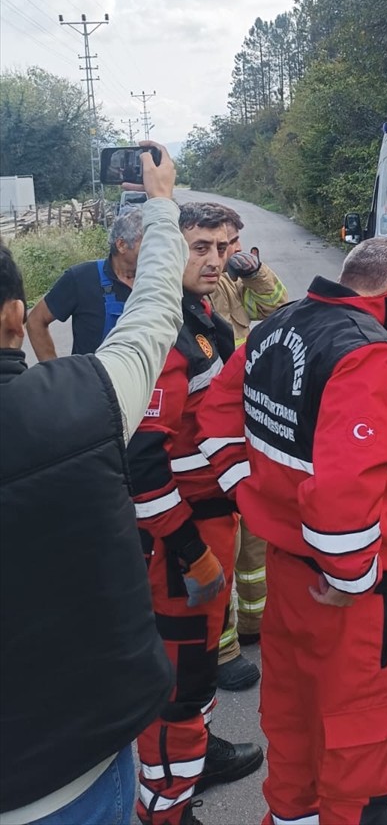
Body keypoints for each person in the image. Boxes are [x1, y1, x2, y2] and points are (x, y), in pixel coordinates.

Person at [196, 237, 387, 825]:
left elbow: (216, 413)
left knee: (293, 718)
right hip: (343, 592)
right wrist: (349, 574)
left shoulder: (276, 327)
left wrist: (252, 490)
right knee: (357, 732)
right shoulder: (368, 353)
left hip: (287, 571)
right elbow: (347, 486)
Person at [1, 145, 185, 825]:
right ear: (14, 318)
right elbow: (155, 312)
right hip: (72, 778)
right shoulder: (87, 400)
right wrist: (161, 202)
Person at [127, 202, 262, 825]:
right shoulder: (163, 339)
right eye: (201, 246)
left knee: (201, 666)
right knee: (176, 689)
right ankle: (164, 813)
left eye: (225, 246)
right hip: (179, 536)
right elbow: (143, 470)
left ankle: (198, 760)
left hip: (212, 521)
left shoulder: (203, 318)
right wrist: (191, 553)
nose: (216, 259)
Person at [208, 205, 288, 692]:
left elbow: (279, 307)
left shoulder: (237, 281)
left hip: (246, 422)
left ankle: (256, 625)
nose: (224, 255)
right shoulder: (181, 292)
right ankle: (222, 648)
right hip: (205, 432)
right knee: (218, 544)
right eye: (213, 246)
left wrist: (256, 270)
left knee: (255, 538)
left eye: (231, 244)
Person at [25, 207, 144, 359]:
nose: (154, 251)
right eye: (147, 244)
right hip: (91, 381)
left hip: (143, 381)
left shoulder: (153, 280)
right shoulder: (81, 278)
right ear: (121, 245)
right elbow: (36, 320)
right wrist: (56, 373)